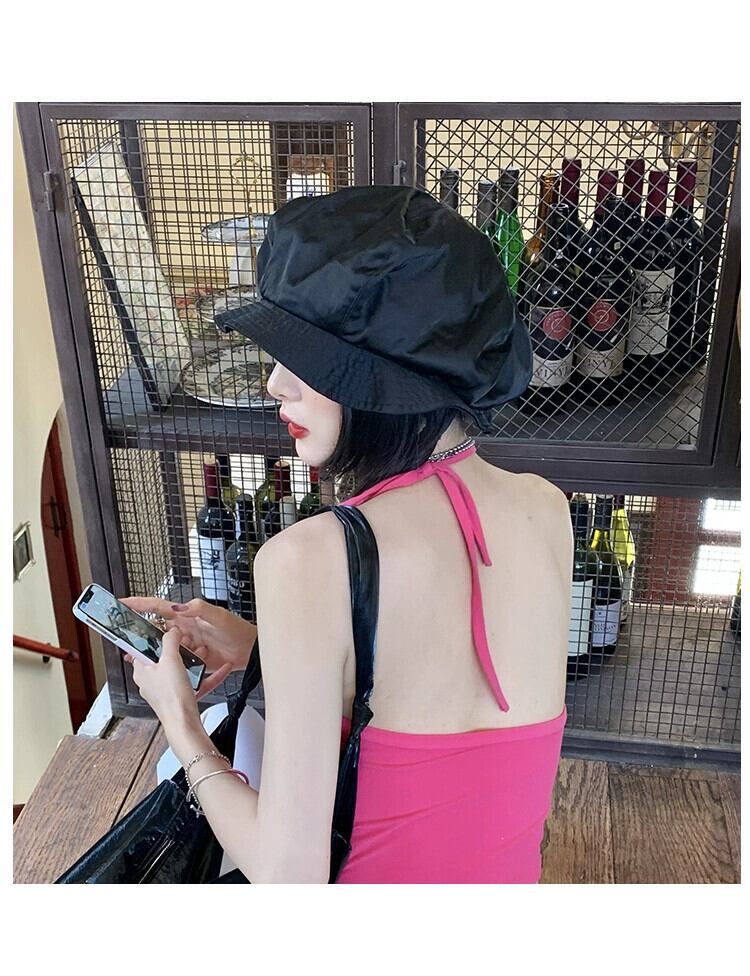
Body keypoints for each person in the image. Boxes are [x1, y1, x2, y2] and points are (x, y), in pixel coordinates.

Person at [121, 185, 573, 883]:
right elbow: (432, 701)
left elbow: (289, 877)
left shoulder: (308, 560)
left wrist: (179, 718)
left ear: (381, 379)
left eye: (306, 358)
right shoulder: (547, 508)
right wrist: (265, 650)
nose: (275, 384)